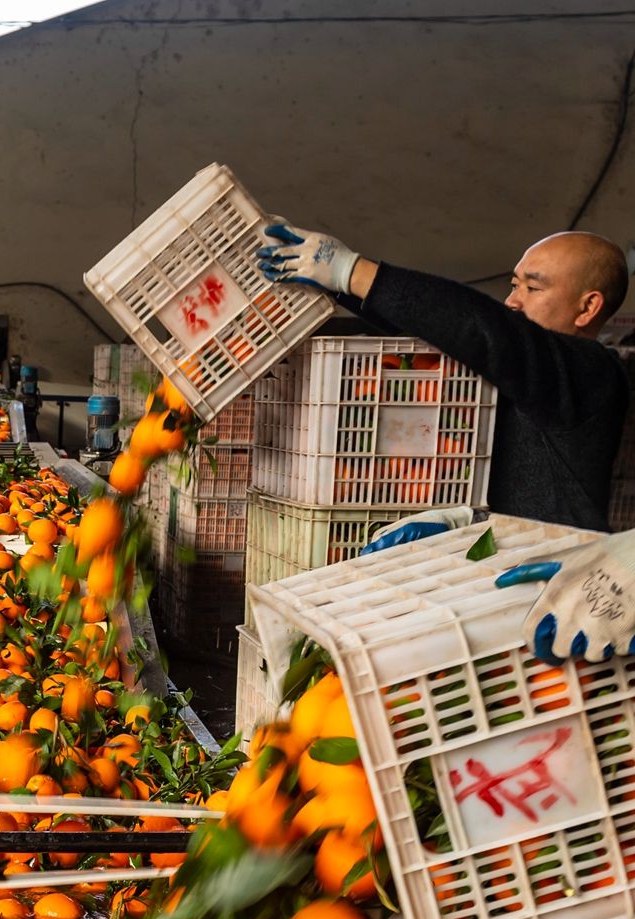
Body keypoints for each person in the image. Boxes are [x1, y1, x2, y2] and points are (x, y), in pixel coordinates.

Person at [257, 224, 634, 661]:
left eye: (533, 288)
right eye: (514, 285)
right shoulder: (533, 375)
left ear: (587, 308)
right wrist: (471, 520)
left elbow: (484, 330)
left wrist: (353, 273)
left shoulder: (590, 372)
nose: (513, 300)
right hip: (511, 580)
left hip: (569, 606)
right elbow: (457, 336)